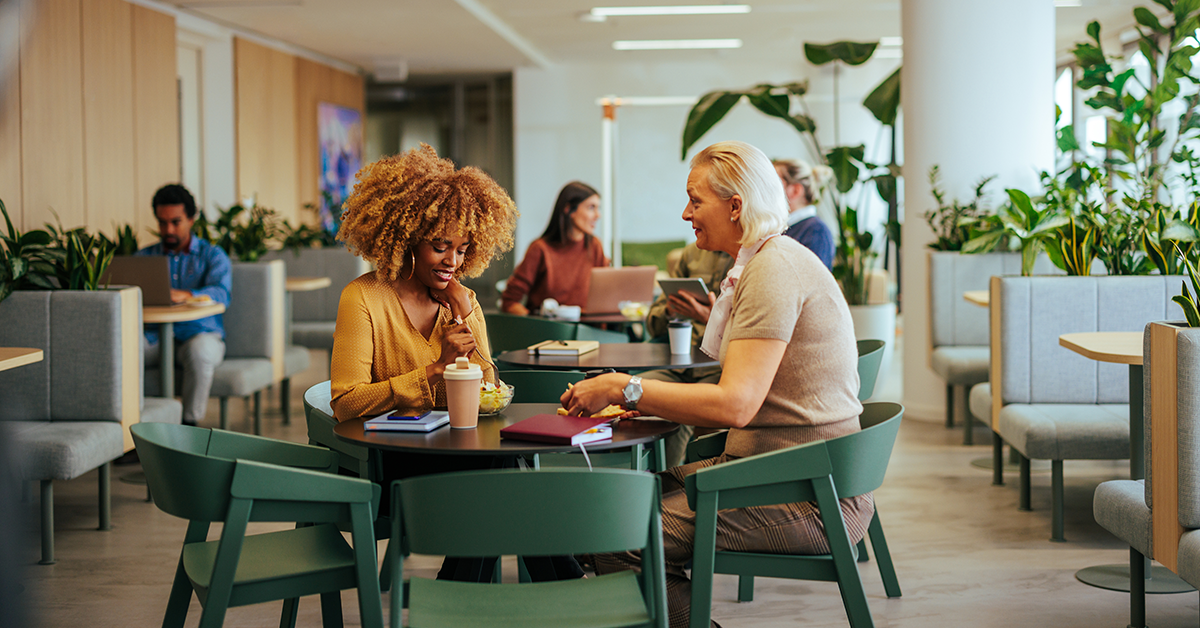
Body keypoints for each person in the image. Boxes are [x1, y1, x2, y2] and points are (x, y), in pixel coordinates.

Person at [562, 141, 869, 628]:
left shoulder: (773, 271)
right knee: (607, 505)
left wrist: (628, 388)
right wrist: (643, 399)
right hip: (777, 473)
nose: (686, 213)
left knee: (613, 529)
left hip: (804, 495)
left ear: (735, 205)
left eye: (694, 200)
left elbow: (736, 404)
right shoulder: (765, 261)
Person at [329, 143, 581, 582]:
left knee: (497, 473)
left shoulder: (461, 301)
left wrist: (466, 315)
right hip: (390, 465)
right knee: (502, 473)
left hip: (462, 458)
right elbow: (345, 404)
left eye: (463, 249)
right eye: (440, 247)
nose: (454, 262)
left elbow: (491, 396)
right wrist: (432, 368)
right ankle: (569, 584)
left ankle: (461, 597)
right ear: (408, 238)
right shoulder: (364, 298)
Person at [138, 184, 231, 426]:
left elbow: (221, 293)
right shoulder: (144, 259)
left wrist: (187, 295)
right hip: (155, 337)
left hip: (200, 334)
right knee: (124, 350)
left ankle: (189, 430)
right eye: (162, 222)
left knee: (200, 353)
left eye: (175, 222)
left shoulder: (213, 256)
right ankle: (134, 433)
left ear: (191, 219)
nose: (168, 230)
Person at [640, 242, 732, 467]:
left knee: (711, 420)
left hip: (720, 369)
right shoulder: (691, 254)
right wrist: (671, 310)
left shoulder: (753, 257)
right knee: (634, 395)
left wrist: (710, 317)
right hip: (680, 365)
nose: (688, 215)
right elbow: (653, 323)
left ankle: (694, 486)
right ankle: (654, 482)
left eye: (696, 204)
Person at [500, 181, 608, 315]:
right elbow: (510, 302)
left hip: (591, 330)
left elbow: (607, 292)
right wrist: (537, 325)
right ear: (569, 209)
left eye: (599, 208)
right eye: (591, 208)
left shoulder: (594, 245)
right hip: (552, 331)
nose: (598, 215)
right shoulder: (540, 249)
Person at [773, 158, 835, 269]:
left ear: (795, 190)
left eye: (774, 182)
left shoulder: (816, 232)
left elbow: (812, 283)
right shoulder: (782, 227)